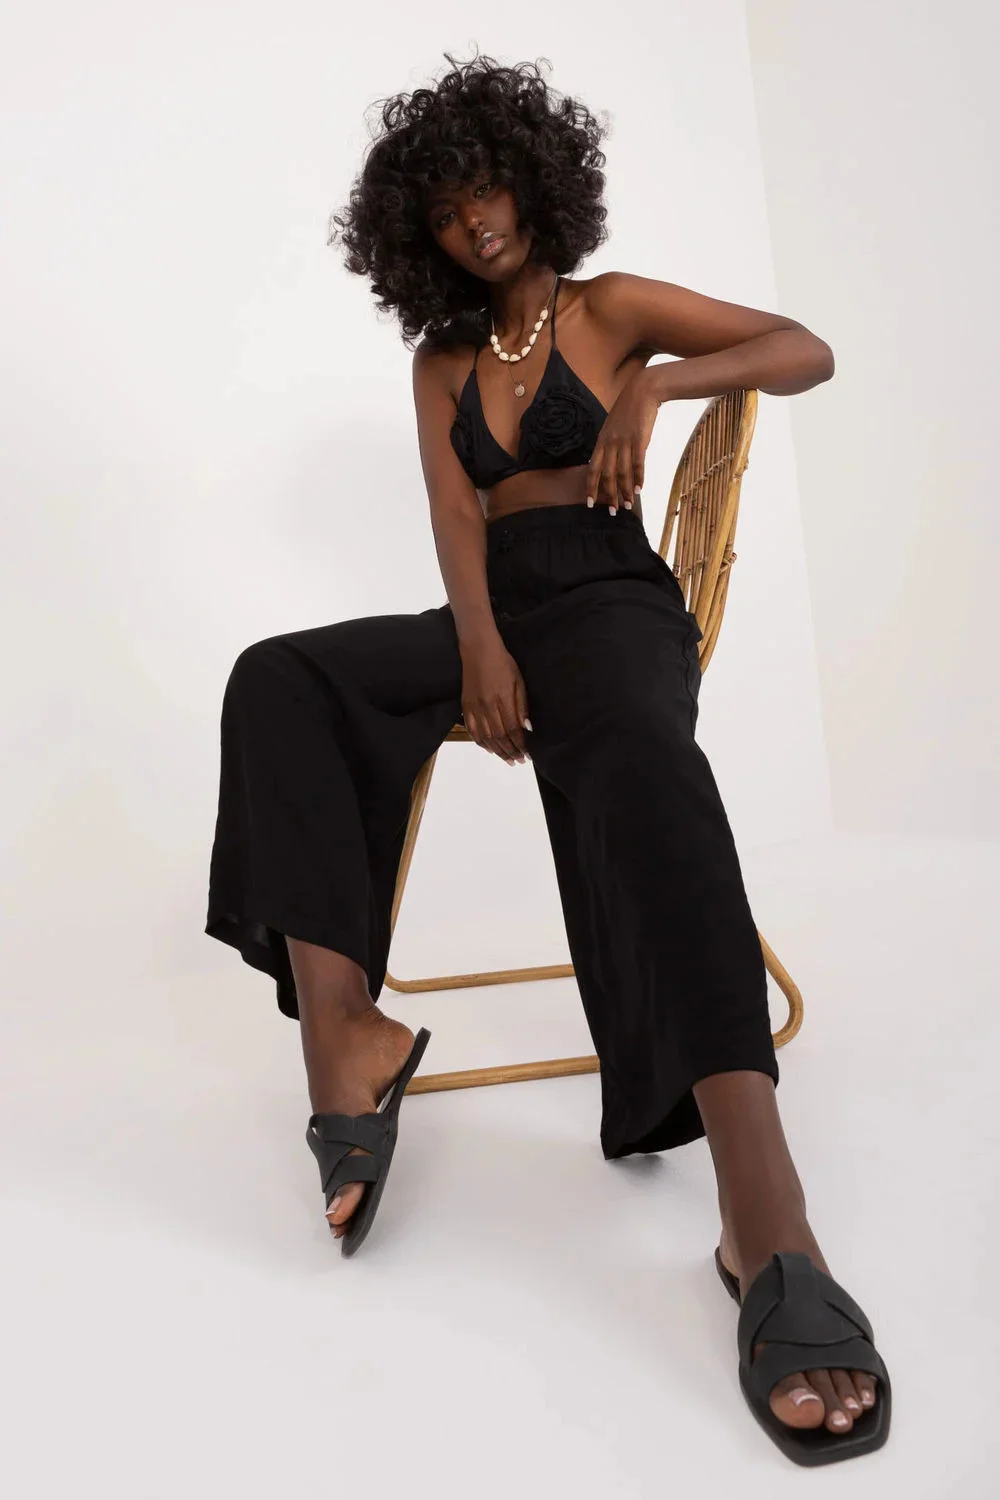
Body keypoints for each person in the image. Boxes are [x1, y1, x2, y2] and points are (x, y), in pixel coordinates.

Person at [204, 53, 890, 1465]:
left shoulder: (613, 309)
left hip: (615, 603)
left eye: (488, 189)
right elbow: (457, 524)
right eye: (444, 211)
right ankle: (346, 1039)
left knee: (640, 752)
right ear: (418, 236)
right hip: (498, 615)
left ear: (532, 178)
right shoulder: (440, 362)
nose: (476, 222)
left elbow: (805, 348)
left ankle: (764, 1216)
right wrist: (477, 650)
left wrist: (662, 389)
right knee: (279, 676)